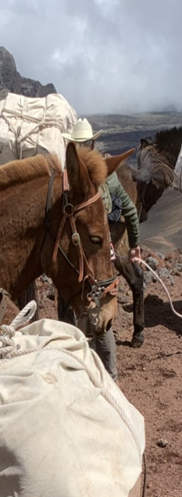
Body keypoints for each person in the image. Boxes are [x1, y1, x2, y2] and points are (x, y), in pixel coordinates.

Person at [61, 119, 142, 381]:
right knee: (102, 315)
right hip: (100, 259)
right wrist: (134, 245)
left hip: (74, 262)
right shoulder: (107, 174)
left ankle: (75, 369)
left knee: (69, 312)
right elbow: (129, 210)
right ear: (93, 143)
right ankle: (110, 378)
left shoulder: (66, 180)